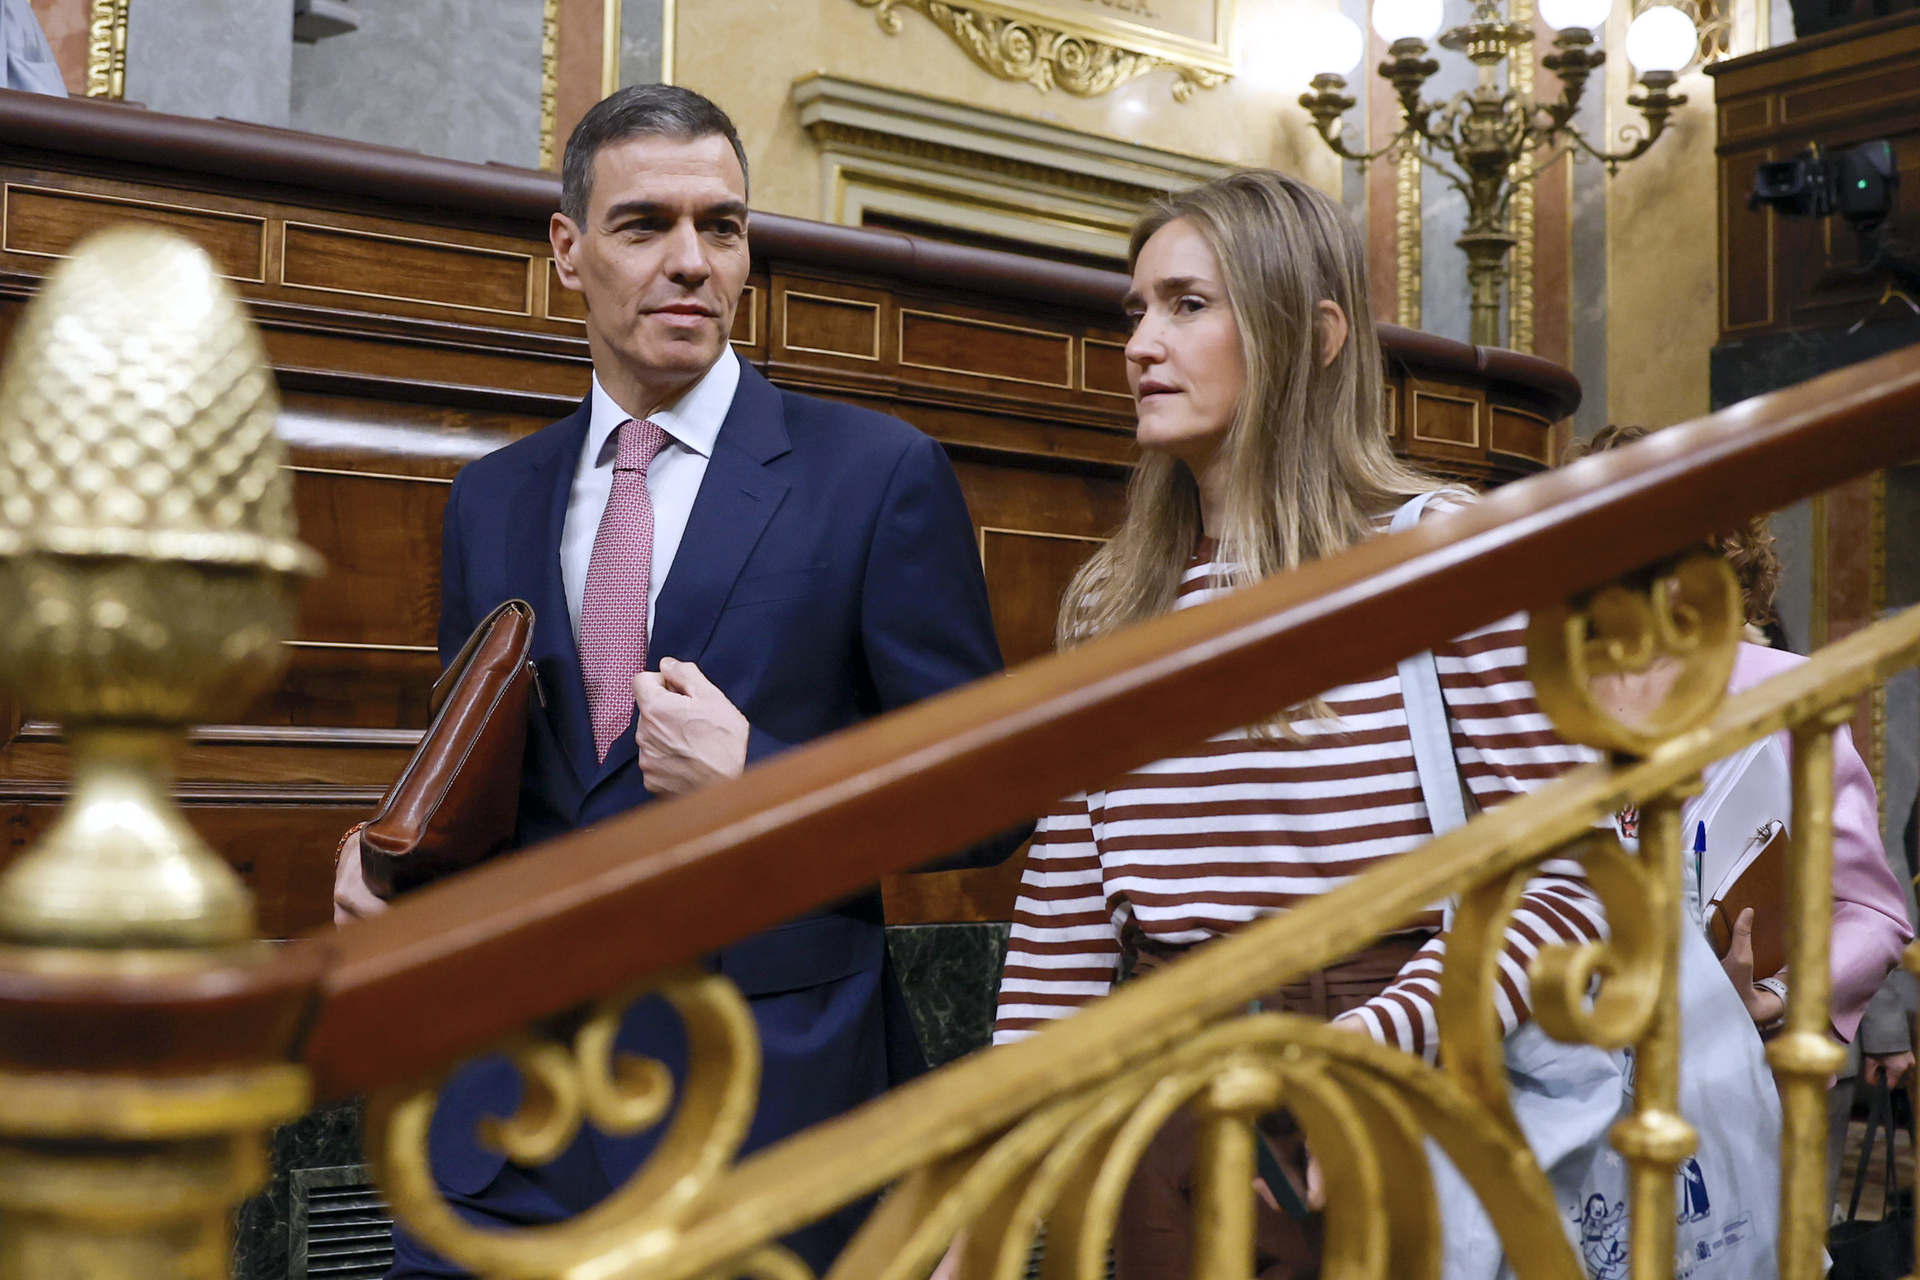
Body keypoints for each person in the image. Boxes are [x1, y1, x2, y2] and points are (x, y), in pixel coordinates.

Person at [334, 85, 1011, 1278]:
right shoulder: (492, 498)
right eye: (646, 224)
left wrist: (759, 776)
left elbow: (991, 799)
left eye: (725, 227)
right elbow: (493, 774)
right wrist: (396, 863)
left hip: (767, 1122)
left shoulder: (876, 474)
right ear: (568, 252)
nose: (691, 261)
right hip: (506, 1127)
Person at [991, 170, 1612, 1279]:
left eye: (1188, 304)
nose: (1140, 342)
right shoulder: (1110, 601)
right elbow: (1064, 933)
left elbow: (1567, 882)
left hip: (1393, 1069)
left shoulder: (1437, 556)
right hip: (1165, 1086)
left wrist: (1375, 1041)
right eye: (1136, 309)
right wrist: (981, 1199)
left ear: (1315, 332)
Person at [1570, 423, 1915, 1214]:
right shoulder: (1530, 699)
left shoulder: (1785, 695)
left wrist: (1782, 996)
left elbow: (1870, 910)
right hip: (1571, 1083)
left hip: (1740, 1076)